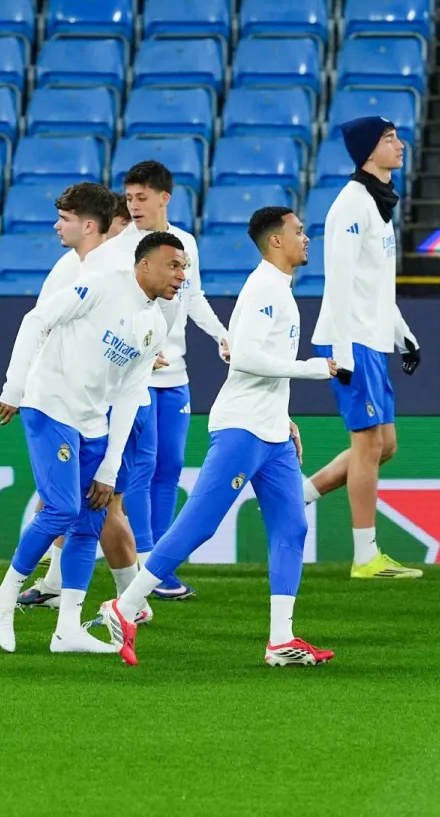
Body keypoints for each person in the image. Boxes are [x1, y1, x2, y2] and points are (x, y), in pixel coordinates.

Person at [100, 207, 336, 666]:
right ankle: (124, 607)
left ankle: (280, 641)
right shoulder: (264, 289)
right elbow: (244, 357)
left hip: (271, 431)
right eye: (299, 232)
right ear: (275, 242)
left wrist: (284, 415)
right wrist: (312, 368)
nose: (306, 239)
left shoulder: (281, 291)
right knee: (200, 523)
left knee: (293, 526)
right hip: (242, 428)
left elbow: (265, 366)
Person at [0, 232, 183, 654]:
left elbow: (131, 394)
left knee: (90, 519)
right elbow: (35, 320)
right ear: (143, 264)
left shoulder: (155, 323)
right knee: (60, 508)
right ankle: (1, 601)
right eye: (173, 266)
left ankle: (67, 629)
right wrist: (13, 388)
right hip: (49, 403)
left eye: (184, 268)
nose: (181, 276)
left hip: (94, 421)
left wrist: (111, 467)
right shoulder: (101, 284)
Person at [17, 187, 148, 620]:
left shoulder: (113, 265)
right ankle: (62, 586)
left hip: (105, 399)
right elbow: (43, 323)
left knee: (99, 502)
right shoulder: (81, 266)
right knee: (69, 500)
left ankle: (131, 598)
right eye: (126, 217)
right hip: (73, 397)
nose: (131, 228)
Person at [302, 117, 422, 579]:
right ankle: (365, 556)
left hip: (370, 337)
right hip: (351, 340)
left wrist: (403, 334)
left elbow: (375, 286)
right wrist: (347, 355)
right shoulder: (350, 205)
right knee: (368, 443)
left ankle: (297, 498)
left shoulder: (376, 203)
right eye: (390, 140)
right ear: (368, 151)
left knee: (383, 444)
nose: (400, 145)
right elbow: (342, 285)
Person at [111, 161, 229, 599]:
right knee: (140, 469)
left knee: (169, 468)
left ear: (165, 197)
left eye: (142, 197)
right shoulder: (120, 246)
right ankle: (143, 562)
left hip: (175, 376)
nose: (134, 206)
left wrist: (220, 334)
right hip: (135, 376)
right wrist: (139, 346)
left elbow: (192, 296)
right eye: (129, 198)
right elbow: (116, 305)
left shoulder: (186, 243)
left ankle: (160, 564)